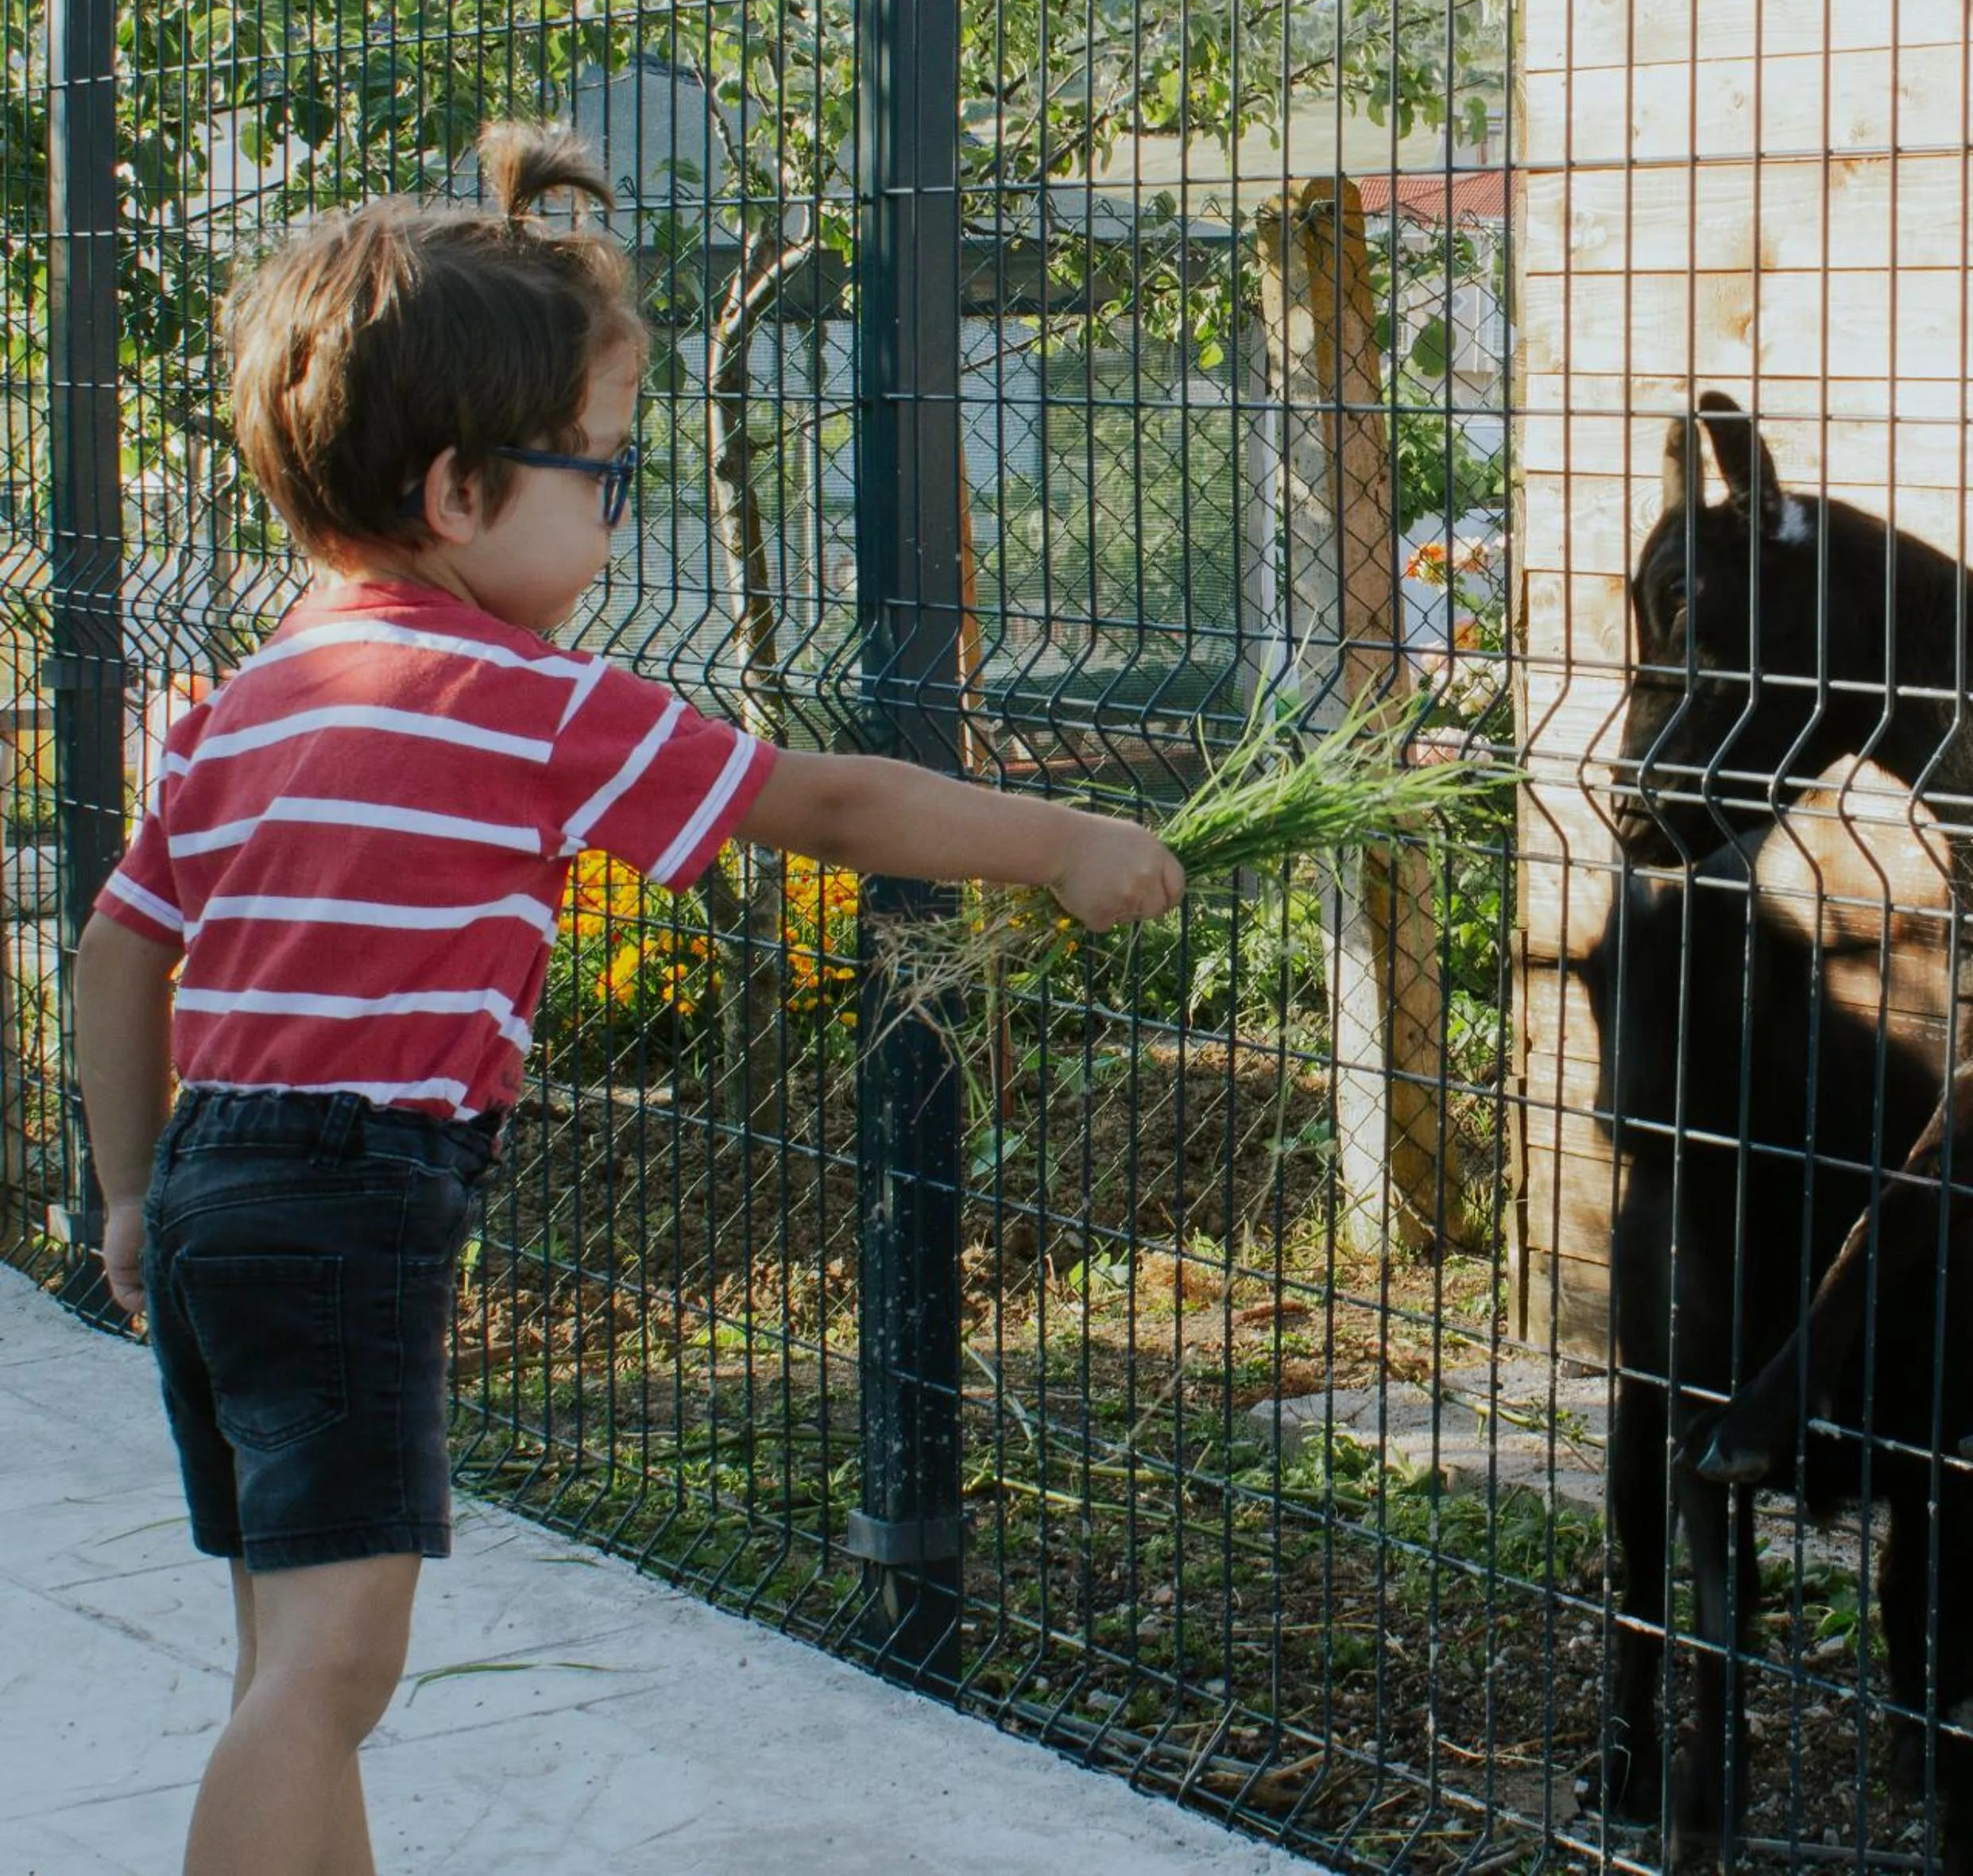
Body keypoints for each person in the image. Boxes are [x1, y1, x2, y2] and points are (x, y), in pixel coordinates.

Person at [72, 124, 1184, 1876]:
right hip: (354, 1199)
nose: (615, 502)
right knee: (328, 1682)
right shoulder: (520, 696)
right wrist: (1058, 838)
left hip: (218, 1187)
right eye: (601, 469)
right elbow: (823, 800)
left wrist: (133, 1190)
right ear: (457, 492)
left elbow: (122, 950)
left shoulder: (251, 699)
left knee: (283, 1655)